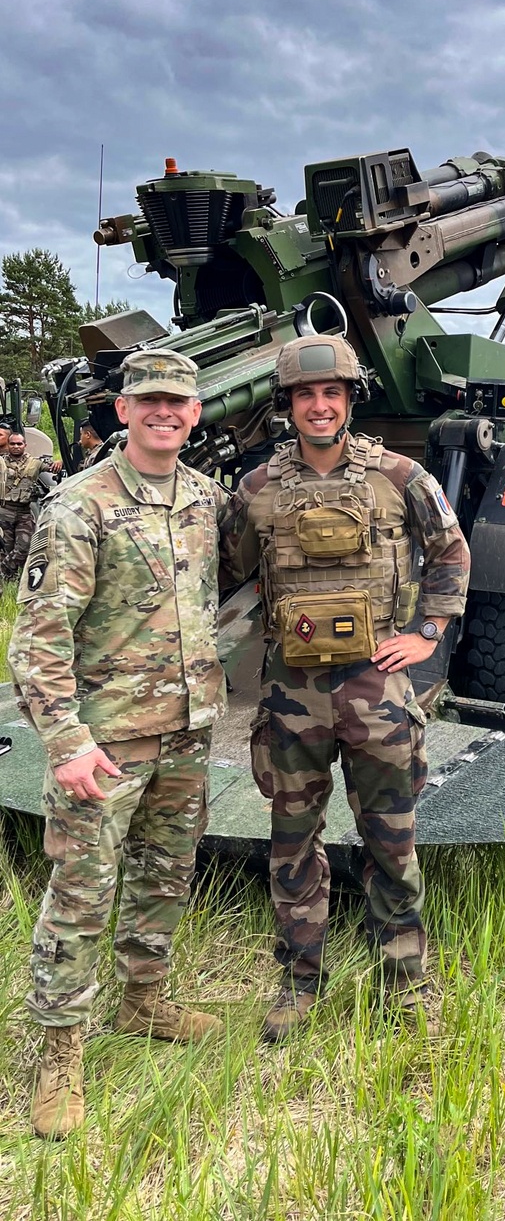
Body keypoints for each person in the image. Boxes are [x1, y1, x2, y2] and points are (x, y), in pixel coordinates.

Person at [220, 335, 471, 1041]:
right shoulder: (259, 490)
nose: (319, 405)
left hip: (377, 690)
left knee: (391, 838)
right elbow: (232, 570)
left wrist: (427, 631)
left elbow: (450, 549)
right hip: (291, 696)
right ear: (288, 405)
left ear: (350, 399)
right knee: (292, 842)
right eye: (306, 394)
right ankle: (300, 982)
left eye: (331, 393)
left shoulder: (399, 475)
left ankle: (405, 981)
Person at [8, 348, 230, 1140]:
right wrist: (65, 741)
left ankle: (143, 1004)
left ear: (195, 414)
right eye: (150, 402)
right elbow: (37, 640)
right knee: (78, 897)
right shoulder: (80, 505)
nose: (165, 413)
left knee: (165, 877)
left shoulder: (206, 499)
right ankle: (58, 1053)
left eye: (179, 402)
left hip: (186, 731)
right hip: (103, 746)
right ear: (124, 412)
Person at [0, 430, 62, 584]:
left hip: (24, 511)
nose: (16, 446)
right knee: (6, 547)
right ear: (8, 445)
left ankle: (4, 568)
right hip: (5, 510)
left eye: (19, 444)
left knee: (24, 547)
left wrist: (60, 462)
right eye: (12, 443)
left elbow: (53, 468)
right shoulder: (1, 462)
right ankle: (9, 580)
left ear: (25, 445)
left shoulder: (35, 463)